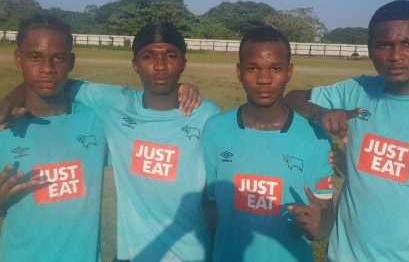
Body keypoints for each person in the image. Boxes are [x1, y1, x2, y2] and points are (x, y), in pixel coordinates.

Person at [1, 22, 218, 261]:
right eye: (148, 56)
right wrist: (12, 98)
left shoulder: (206, 116)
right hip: (130, 255)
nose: (160, 66)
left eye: (171, 57)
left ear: (183, 63)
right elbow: (54, 81)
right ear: (135, 64)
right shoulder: (115, 105)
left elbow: (219, 197)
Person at [286, 0, 409, 262]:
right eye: (384, 45)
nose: (396, 56)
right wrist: (321, 113)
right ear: (371, 49)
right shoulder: (356, 90)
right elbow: (293, 98)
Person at [202, 26, 334, 261]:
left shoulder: (317, 137)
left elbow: (326, 213)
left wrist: (319, 227)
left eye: (275, 68)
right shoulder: (214, 130)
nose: (264, 79)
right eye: (253, 68)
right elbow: (210, 207)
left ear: (289, 72)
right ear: (239, 71)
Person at [0, 15, 108, 261]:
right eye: (35, 57)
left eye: (58, 58)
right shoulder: (4, 128)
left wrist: (182, 89)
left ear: (71, 61)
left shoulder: (97, 121)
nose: (47, 68)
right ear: (19, 59)